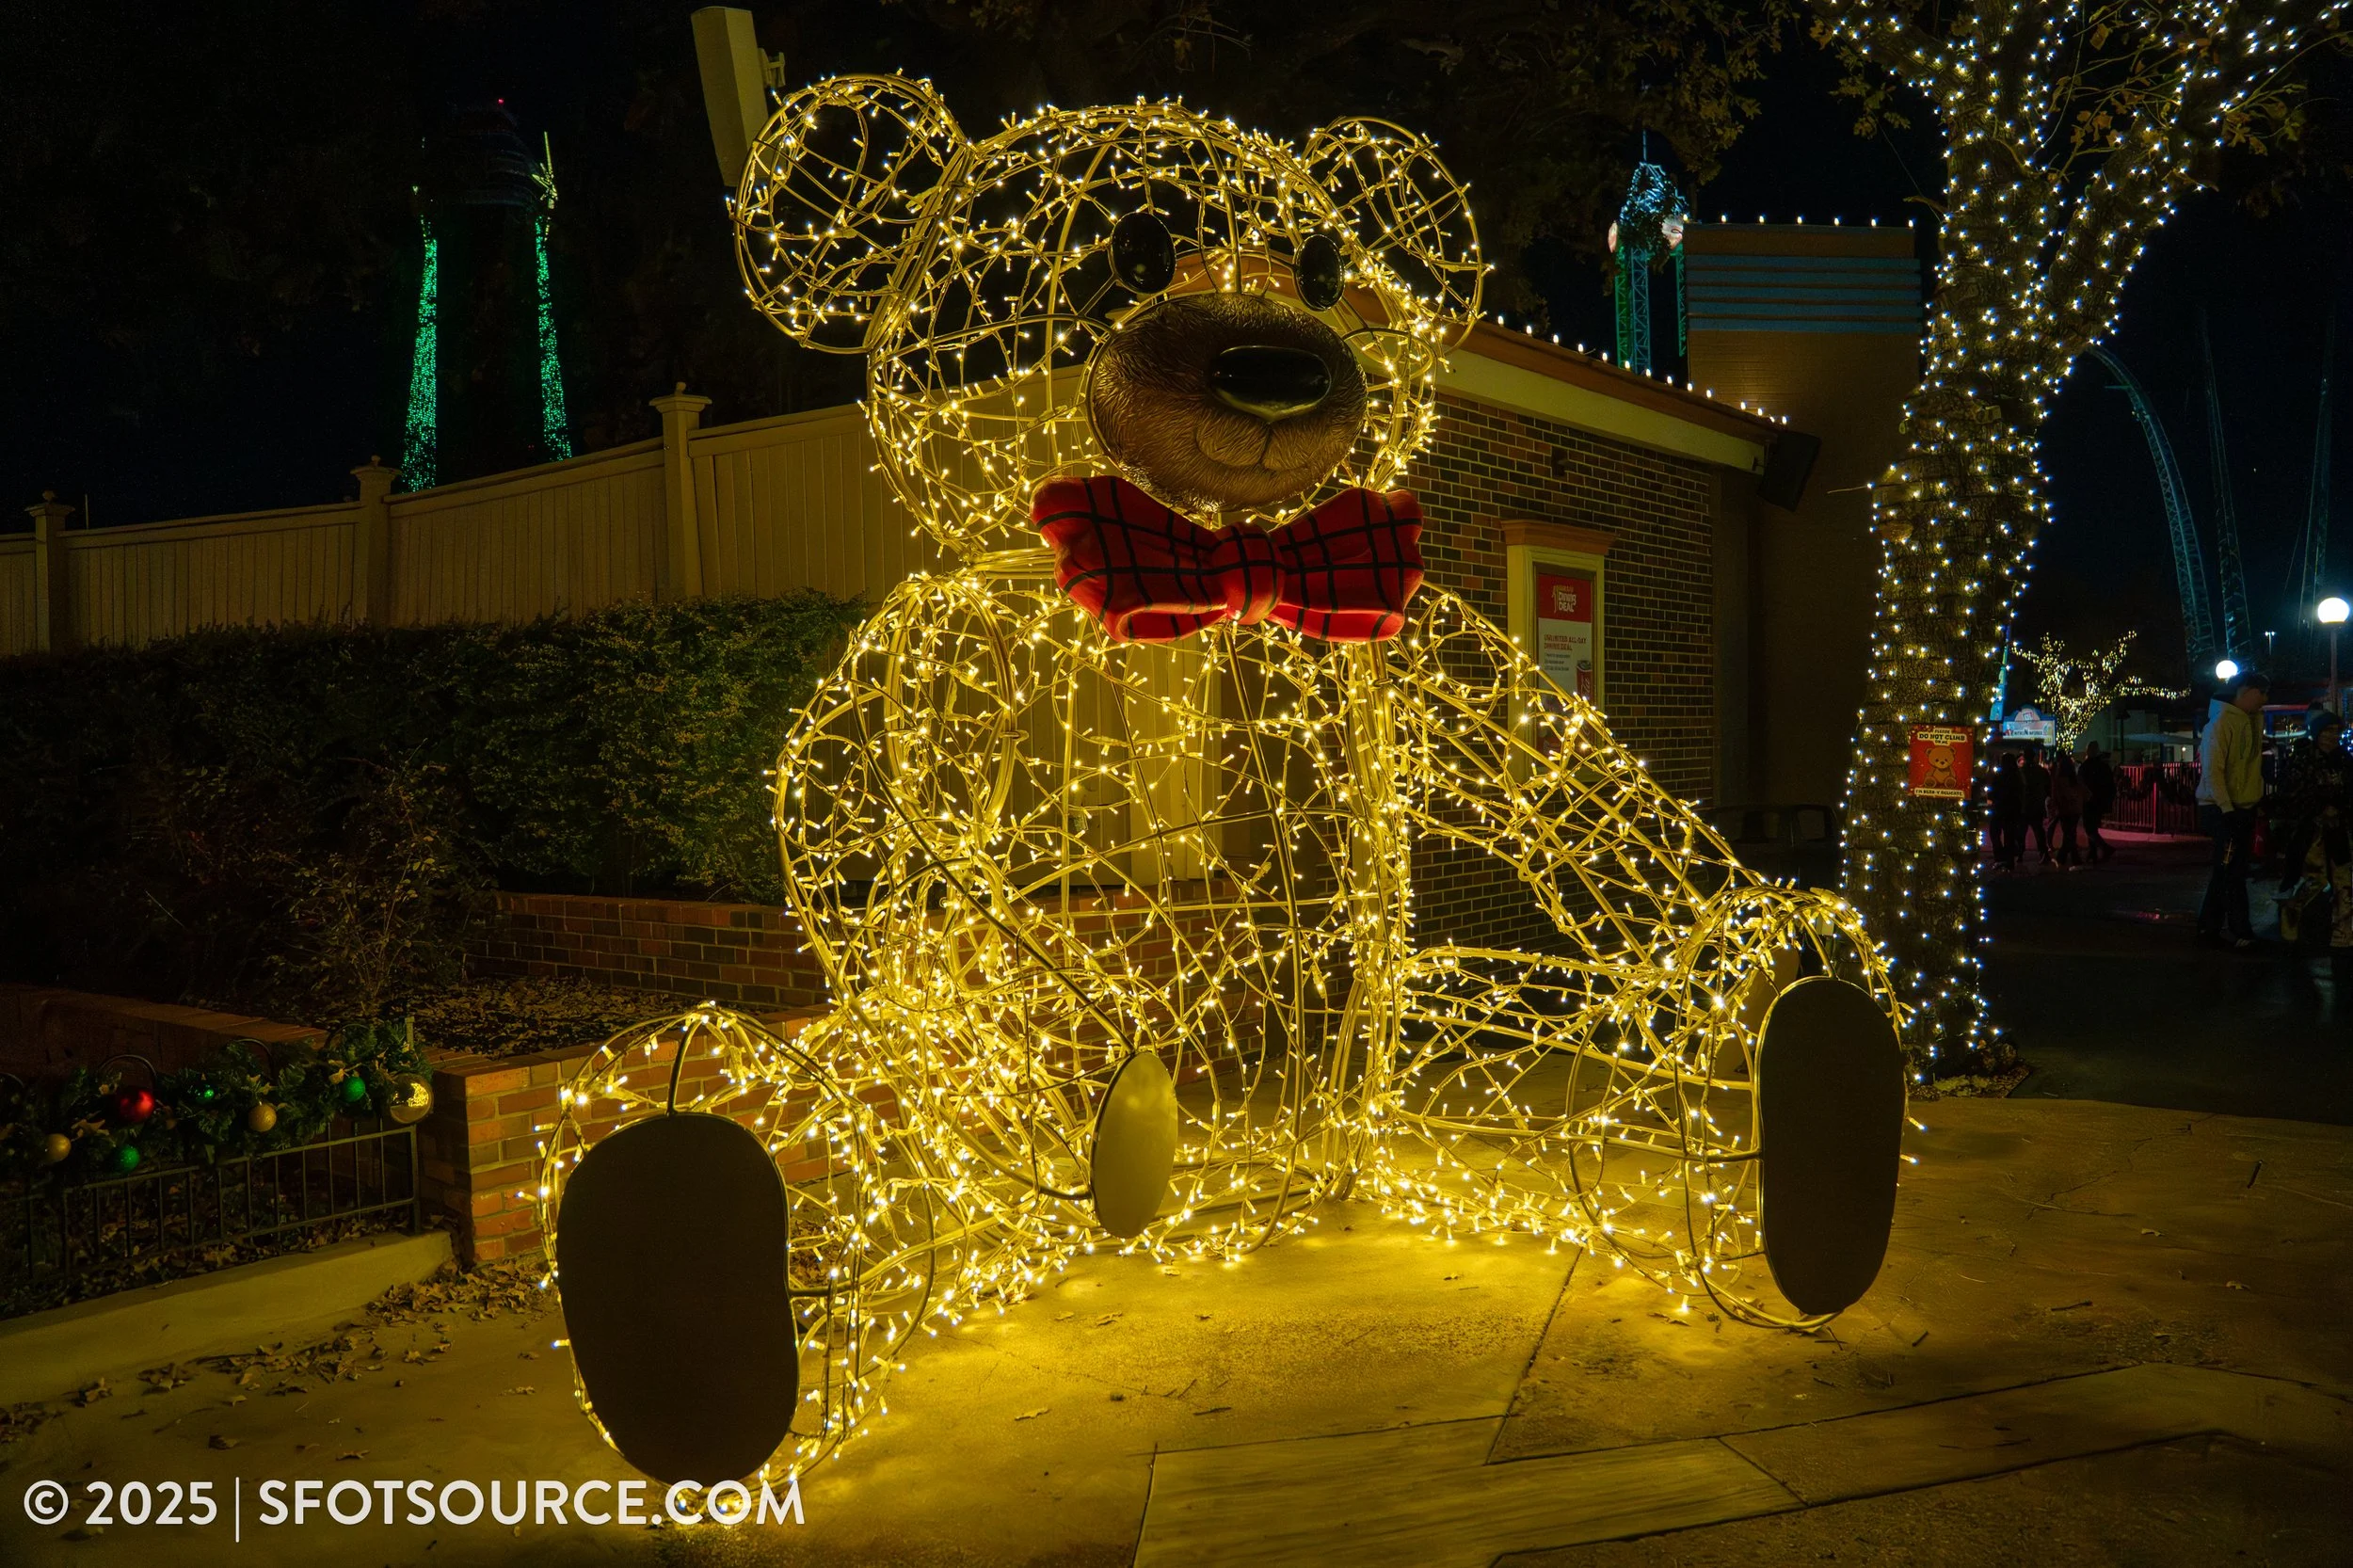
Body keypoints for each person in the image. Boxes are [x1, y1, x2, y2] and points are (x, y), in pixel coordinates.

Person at [2196, 670, 2271, 949]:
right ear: (2245, 691)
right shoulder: (2220, 724)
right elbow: (2214, 771)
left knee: (2226, 869)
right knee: (2232, 871)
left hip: (2235, 806)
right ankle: (2240, 930)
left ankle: (2209, 928)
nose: (2264, 699)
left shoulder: (2249, 721)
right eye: (2261, 692)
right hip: (2223, 807)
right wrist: (2228, 808)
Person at [2276, 706, 2353, 949]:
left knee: (2343, 883)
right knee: (2311, 880)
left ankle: (2343, 936)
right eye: (2326, 731)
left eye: (2335, 731)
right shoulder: (2303, 758)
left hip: (2338, 828)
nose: (2331, 736)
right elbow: (2293, 793)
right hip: (2310, 831)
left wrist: (2339, 809)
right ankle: (2290, 922)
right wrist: (2321, 808)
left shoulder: (2343, 760)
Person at [2080, 742, 2116, 862]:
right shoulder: (2103, 767)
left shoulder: (2085, 767)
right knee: (2093, 827)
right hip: (2100, 801)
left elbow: (2080, 783)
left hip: (2089, 801)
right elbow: (2110, 784)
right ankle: (2093, 851)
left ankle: (2103, 848)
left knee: (2089, 828)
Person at [1989, 750, 2025, 872]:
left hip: (2000, 809)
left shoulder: (1999, 776)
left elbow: (1992, 793)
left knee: (1995, 833)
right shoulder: (2017, 776)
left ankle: (2000, 858)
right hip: (2013, 810)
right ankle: (2009, 862)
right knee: (2009, 835)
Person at [2050, 753, 2088, 867]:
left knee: (2068, 834)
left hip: (2065, 810)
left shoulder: (2058, 780)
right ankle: (2071, 858)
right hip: (2076, 810)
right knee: (2071, 833)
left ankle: (2064, 859)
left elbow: (2055, 796)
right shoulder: (2075, 779)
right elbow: (2086, 793)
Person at [2019, 748, 2052, 866]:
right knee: (2039, 831)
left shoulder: (2021, 771)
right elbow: (2048, 788)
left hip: (2024, 806)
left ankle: (2019, 854)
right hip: (2037, 805)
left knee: (2021, 832)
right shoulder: (2042, 771)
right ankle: (2043, 853)